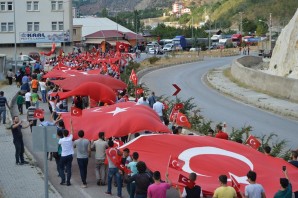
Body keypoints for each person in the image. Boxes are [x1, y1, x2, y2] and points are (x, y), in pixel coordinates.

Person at [59, 120, 74, 186]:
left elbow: (58, 143)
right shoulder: (70, 138)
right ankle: (68, 182)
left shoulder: (61, 140)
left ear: (63, 134)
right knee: (69, 169)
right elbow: (72, 131)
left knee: (61, 168)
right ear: (68, 134)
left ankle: (63, 180)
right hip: (70, 155)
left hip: (63, 155)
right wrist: (71, 124)